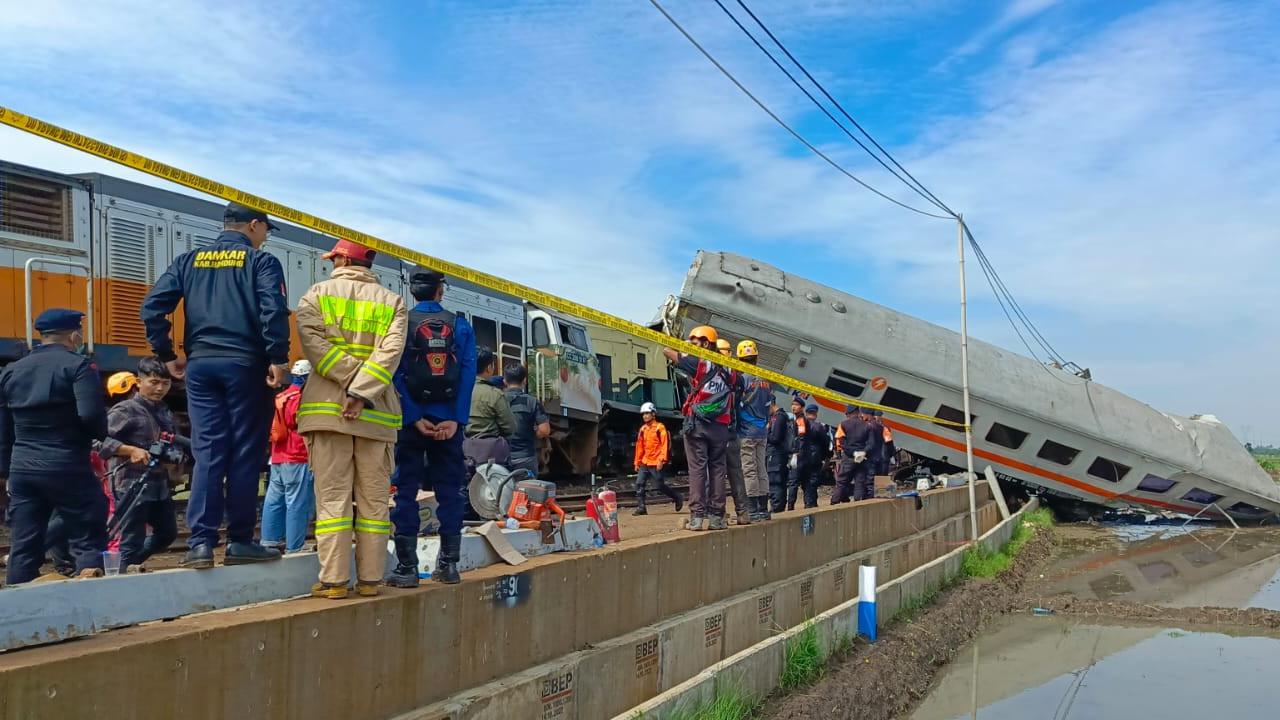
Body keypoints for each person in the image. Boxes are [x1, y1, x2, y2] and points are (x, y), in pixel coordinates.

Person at [141, 201, 290, 569]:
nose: (265, 239)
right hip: (245, 366)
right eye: (266, 231)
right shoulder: (261, 262)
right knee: (244, 451)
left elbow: (152, 307)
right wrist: (278, 357)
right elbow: (272, 308)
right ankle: (239, 541)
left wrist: (166, 353)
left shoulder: (188, 261)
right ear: (254, 225)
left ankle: (201, 545)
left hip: (201, 365)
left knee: (208, 452)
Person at [295, 239, 408, 599]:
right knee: (375, 501)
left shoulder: (316, 295)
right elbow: (391, 353)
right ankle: (371, 580)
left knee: (332, 500)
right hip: (376, 414)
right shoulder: (393, 302)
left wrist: (347, 380)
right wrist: (363, 390)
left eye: (333, 259)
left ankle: (333, 581)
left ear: (342, 258)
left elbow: (312, 343)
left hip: (328, 413)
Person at [1, 309, 108, 584]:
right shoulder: (78, 366)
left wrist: (7, 471)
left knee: (23, 544)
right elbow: (91, 415)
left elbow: (3, 427)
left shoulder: (11, 370)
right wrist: (97, 435)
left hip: (22, 467)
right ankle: (91, 591)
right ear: (74, 334)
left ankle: (19, 605)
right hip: (66, 463)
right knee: (87, 529)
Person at [386, 270, 477, 587]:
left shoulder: (401, 323)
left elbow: (393, 373)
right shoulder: (460, 325)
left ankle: (407, 569)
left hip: (411, 423)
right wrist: (456, 419)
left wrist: (411, 415)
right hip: (448, 420)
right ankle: (449, 565)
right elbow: (467, 375)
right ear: (440, 291)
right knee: (450, 491)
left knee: (406, 490)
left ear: (412, 292)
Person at [96, 357, 181, 571]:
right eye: (154, 382)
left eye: (165, 383)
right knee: (131, 538)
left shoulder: (163, 410)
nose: (160, 388)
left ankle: (128, 566)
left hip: (159, 484)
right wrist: (130, 450)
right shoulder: (125, 409)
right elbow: (96, 440)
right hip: (131, 484)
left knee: (167, 532)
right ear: (138, 381)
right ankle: (121, 574)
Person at [662, 325, 735, 531]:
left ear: (704, 343)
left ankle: (696, 517)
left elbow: (667, 350)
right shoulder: (729, 368)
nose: (692, 345)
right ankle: (717, 517)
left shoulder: (698, 362)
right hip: (721, 426)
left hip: (698, 425)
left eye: (695, 342)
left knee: (697, 469)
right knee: (718, 469)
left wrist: (682, 345)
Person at [261, 360, 315, 555]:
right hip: (297, 455)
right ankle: (295, 546)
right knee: (297, 501)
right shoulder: (302, 397)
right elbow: (299, 423)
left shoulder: (283, 394)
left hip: (278, 455)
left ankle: (269, 541)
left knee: (274, 499)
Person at [734, 340, 772, 522]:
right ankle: (764, 509)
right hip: (762, 431)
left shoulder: (742, 379)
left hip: (746, 432)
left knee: (749, 471)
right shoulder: (765, 380)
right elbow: (768, 405)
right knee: (761, 469)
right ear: (756, 357)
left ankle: (753, 509)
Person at [463, 347, 516, 468]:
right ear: (489, 368)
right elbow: (510, 428)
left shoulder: (459, 391)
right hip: (492, 457)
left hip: (463, 452)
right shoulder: (495, 394)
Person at [632, 402, 682, 515]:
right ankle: (641, 508)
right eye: (643, 414)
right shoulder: (643, 429)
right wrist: (637, 462)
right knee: (639, 483)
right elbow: (639, 446)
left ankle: (677, 497)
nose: (645, 416)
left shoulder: (660, 428)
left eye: (647, 413)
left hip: (656, 462)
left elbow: (664, 445)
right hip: (645, 462)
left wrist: (662, 460)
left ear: (653, 414)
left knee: (660, 486)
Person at [503, 364, 549, 478]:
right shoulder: (532, 402)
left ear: (505, 381)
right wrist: (531, 433)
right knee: (527, 493)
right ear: (524, 381)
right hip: (526, 457)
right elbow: (544, 430)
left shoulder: (498, 399)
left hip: (501, 457)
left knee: (502, 493)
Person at [832, 405, 873, 504]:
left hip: (849, 457)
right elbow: (871, 443)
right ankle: (858, 502)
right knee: (860, 481)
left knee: (842, 481)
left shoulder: (843, 424)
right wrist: (863, 452)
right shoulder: (867, 425)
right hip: (863, 457)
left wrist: (853, 452)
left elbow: (840, 442)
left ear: (848, 413)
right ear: (858, 412)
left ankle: (834, 502)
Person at [795, 404, 830, 509]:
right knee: (813, 481)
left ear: (806, 413)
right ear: (815, 413)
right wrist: (826, 456)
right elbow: (826, 443)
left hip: (802, 457)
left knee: (805, 481)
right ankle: (811, 503)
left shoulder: (800, 425)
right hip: (815, 457)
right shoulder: (819, 426)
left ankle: (808, 502)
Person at [765, 396, 793, 514]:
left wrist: (765, 432)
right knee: (778, 481)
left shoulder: (778, 418)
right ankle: (778, 506)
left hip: (776, 455)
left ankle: (776, 507)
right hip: (778, 454)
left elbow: (775, 438)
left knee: (775, 481)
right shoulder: (780, 417)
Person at [785, 396, 806, 510]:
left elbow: (801, 437)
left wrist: (797, 452)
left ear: (802, 408)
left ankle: (790, 506)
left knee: (793, 481)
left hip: (797, 454)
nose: (793, 407)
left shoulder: (800, 420)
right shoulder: (795, 420)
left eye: (796, 405)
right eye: (792, 405)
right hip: (795, 453)